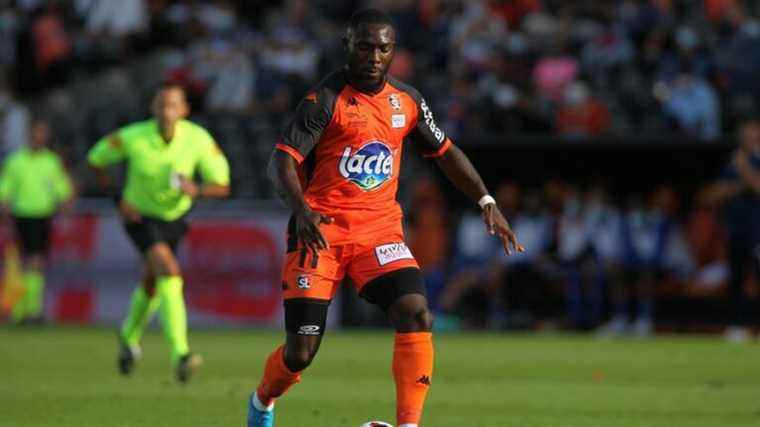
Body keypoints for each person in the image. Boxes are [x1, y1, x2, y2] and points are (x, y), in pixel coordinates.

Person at [248, 9, 523, 427]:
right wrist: (302, 210)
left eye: (383, 47)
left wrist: (486, 201)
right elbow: (279, 164)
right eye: (365, 46)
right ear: (347, 46)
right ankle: (263, 400)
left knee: (416, 312)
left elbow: (446, 153)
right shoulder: (324, 100)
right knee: (300, 351)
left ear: (394, 50)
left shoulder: (407, 100)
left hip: (378, 232)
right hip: (319, 232)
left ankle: (409, 424)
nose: (374, 55)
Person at [87, 83, 230, 382]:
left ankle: (128, 338)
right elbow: (95, 159)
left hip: (174, 219)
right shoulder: (133, 136)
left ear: (184, 110)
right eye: (162, 105)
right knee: (170, 271)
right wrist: (118, 199)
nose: (167, 111)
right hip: (139, 216)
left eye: (173, 105)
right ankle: (182, 353)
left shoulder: (198, 139)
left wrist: (197, 189)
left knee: (153, 282)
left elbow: (222, 185)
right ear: (153, 109)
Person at [0, 119, 73, 324]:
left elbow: (61, 187)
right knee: (29, 262)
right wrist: (5, 210)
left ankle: (27, 310)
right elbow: (5, 187)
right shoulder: (16, 161)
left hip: (44, 216)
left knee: (36, 262)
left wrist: (66, 205)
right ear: (29, 136)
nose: (38, 138)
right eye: (35, 133)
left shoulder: (51, 161)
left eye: (42, 134)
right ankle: (29, 311)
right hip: (22, 215)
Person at [708, 116, 760, 342]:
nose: (749, 137)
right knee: (736, 279)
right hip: (737, 230)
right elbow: (713, 194)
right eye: (746, 133)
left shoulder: (744, 162)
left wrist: (743, 168)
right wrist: (739, 186)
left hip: (758, 231)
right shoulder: (730, 164)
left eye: (754, 133)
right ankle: (737, 326)